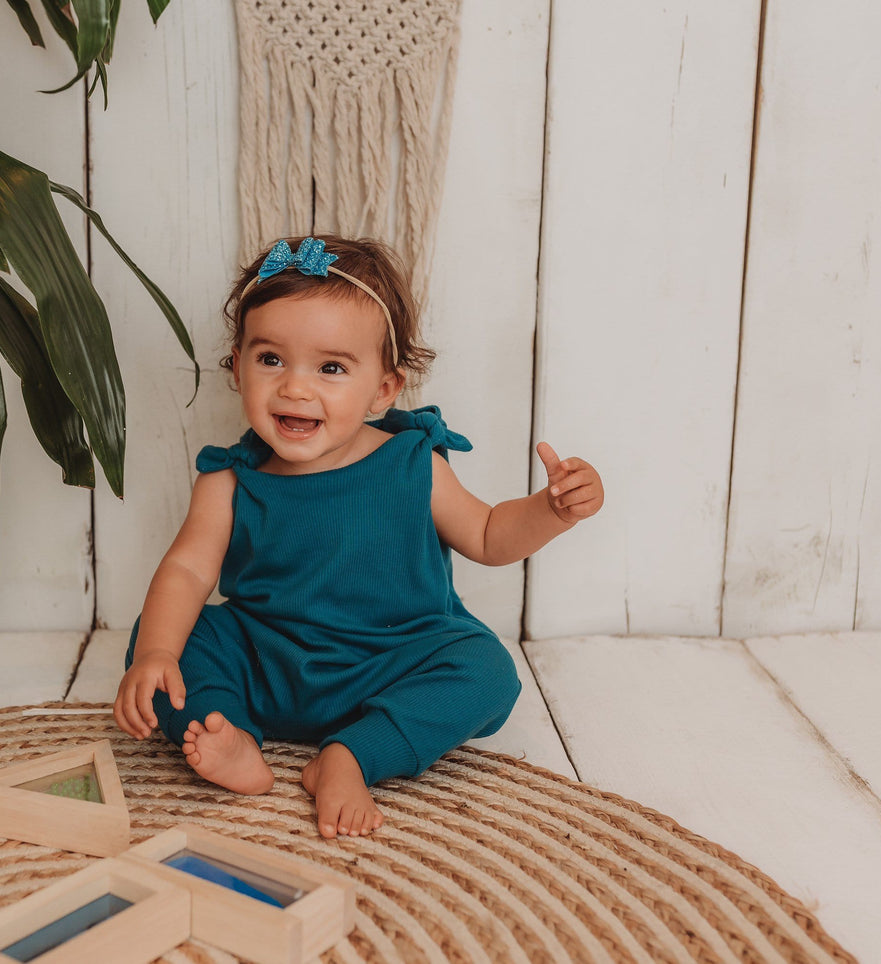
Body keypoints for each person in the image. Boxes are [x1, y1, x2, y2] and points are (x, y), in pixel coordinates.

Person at [113, 235, 604, 839]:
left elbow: (487, 534)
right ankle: (230, 732)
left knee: (487, 671)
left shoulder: (413, 462)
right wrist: (157, 653)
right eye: (271, 359)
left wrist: (551, 510)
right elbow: (188, 572)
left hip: (389, 665)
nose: (295, 388)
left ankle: (351, 755)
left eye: (331, 368)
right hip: (268, 663)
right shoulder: (229, 481)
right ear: (237, 364)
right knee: (171, 636)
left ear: (383, 390)